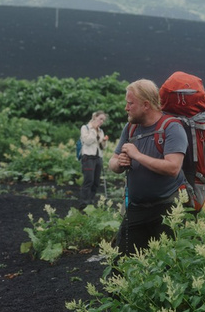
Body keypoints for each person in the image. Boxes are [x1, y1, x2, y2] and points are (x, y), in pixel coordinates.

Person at [110, 80, 186, 255]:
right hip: (136, 208)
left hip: (167, 208)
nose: (126, 108)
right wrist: (119, 163)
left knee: (166, 264)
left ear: (146, 105)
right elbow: (112, 162)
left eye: (130, 103)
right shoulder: (130, 128)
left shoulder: (172, 127)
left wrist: (137, 155)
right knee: (121, 265)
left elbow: (173, 168)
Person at [77, 110, 110, 207]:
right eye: (100, 119)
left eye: (103, 120)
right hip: (88, 157)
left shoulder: (101, 131)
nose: (101, 122)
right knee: (89, 181)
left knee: (96, 182)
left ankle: (90, 202)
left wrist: (103, 141)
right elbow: (87, 141)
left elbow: (103, 147)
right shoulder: (85, 128)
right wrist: (93, 130)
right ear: (94, 117)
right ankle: (84, 203)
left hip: (98, 157)